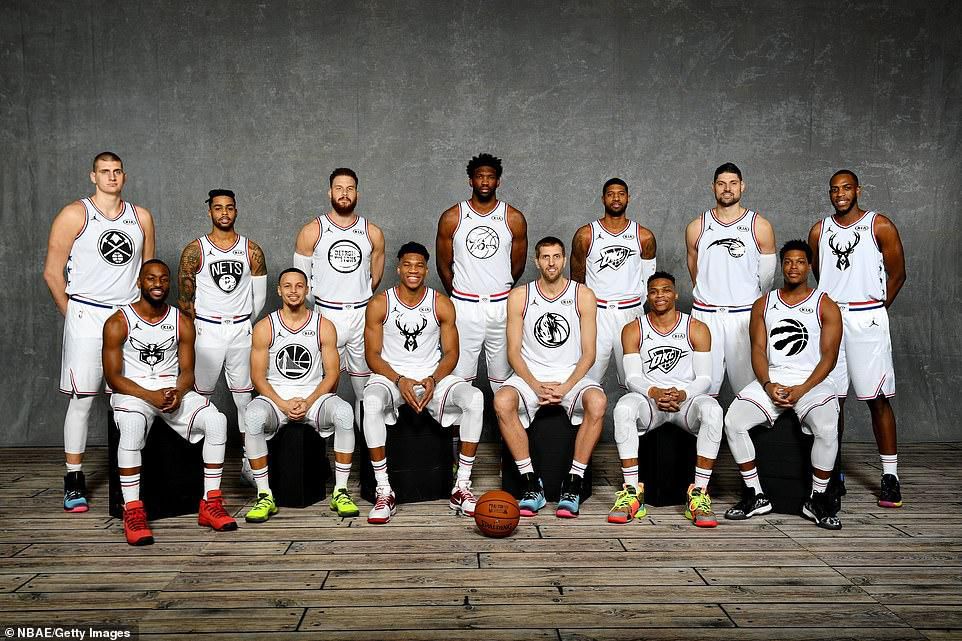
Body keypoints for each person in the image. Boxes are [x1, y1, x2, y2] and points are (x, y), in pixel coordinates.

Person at [43, 151, 156, 513]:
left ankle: (132, 474)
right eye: (104, 171)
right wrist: (74, 315)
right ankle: (73, 478)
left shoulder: (141, 217)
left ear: (125, 176)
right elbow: (52, 272)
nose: (111, 177)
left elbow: (149, 273)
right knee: (83, 399)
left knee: (133, 397)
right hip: (87, 313)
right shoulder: (75, 214)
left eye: (117, 171)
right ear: (93, 176)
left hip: (127, 316)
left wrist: (140, 319)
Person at [103, 260, 236, 545]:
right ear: (139, 282)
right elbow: (113, 377)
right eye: (151, 279)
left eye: (163, 279)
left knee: (217, 421)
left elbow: (187, 371)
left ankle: (210, 502)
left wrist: (178, 391)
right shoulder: (118, 322)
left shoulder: (181, 321)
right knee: (132, 426)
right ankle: (132, 510)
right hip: (132, 392)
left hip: (169, 390)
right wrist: (148, 396)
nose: (158, 284)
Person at [723, 240, 843, 530]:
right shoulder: (764, 304)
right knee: (733, 421)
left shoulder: (825, 305)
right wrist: (767, 384)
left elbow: (829, 357)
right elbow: (757, 350)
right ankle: (756, 494)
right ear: (781, 265)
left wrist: (803, 389)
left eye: (800, 262)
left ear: (809, 266)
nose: (793, 267)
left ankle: (817, 498)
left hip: (812, 381)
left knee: (827, 428)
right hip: (774, 378)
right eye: (788, 261)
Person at [362, 243, 484, 524]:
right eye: (407, 264)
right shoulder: (380, 304)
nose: (413, 270)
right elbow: (372, 355)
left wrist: (434, 379)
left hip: (431, 376)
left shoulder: (441, 303)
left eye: (419, 265)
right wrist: (398, 379)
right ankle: (384, 490)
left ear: (426, 270)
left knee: (475, 399)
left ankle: (461, 486)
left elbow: (451, 353)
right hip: (392, 377)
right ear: (398, 268)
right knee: (371, 402)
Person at [808, 169, 906, 508]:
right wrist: (834, 311)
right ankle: (833, 474)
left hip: (868, 317)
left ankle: (890, 476)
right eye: (834, 189)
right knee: (832, 399)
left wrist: (876, 309)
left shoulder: (880, 225)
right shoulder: (819, 231)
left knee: (877, 398)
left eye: (846, 188)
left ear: (858, 190)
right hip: (832, 318)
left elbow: (898, 273)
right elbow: (821, 274)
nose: (840, 194)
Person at [494, 237, 607, 519]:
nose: (551, 263)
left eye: (556, 256)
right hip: (532, 376)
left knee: (597, 402)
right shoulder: (520, 296)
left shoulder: (583, 295)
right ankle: (531, 484)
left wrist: (566, 387)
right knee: (502, 401)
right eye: (545, 257)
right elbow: (513, 353)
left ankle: (574, 482)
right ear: (536, 261)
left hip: (570, 375)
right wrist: (535, 386)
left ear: (564, 259)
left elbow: (589, 353)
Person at [243, 268, 357, 522]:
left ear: (307, 290)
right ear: (279, 290)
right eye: (287, 286)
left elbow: (331, 374)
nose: (293, 291)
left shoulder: (323, 326)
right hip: (276, 399)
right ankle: (264, 495)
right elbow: (258, 377)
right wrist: (283, 404)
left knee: (344, 412)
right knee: (252, 416)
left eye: (299, 286)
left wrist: (309, 401)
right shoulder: (265, 327)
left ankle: (340, 491)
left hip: (313, 398)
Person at [610, 272, 722, 527]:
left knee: (713, 411)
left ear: (676, 294)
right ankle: (632, 493)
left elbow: (705, 378)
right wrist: (655, 392)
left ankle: (699, 494)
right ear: (647, 296)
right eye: (654, 291)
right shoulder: (633, 329)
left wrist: (682, 394)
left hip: (685, 402)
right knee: (624, 408)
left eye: (666, 290)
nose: (660, 295)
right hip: (651, 403)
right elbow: (632, 378)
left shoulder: (696, 328)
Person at [177, 189, 267, 485]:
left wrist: (242, 323)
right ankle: (197, 463)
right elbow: (185, 301)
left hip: (240, 330)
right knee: (199, 398)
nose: (224, 213)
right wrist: (200, 327)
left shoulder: (251, 250)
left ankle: (249, 462)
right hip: (207, 330)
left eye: (229, 207)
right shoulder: (195, 250)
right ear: (210, 212)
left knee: (245, 399)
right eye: (218, 208)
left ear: (236, 211)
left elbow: (258, 299)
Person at [294, 168, 385, 416]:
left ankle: (365, 439)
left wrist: (355, 296)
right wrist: (324, 302)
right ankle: (327, 439)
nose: (344, 194)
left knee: (366, 389)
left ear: (357, 193)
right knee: (325, 384)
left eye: (350, 189)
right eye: (339, 188)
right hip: (327, 314)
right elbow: (301, 282)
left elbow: (374, 278)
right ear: (329, 192)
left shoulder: (372, 232)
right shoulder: (312, 231)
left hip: (361, 315)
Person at [436, 153, 528, 390]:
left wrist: (498, 286)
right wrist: (460, 295)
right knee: (459, 378)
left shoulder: (513, 218)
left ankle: (502, 416)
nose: (485, 181)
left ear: (498, 181)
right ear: (471, 180)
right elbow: (443, 265)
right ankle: (460, 417)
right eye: (479, 176)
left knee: (504, 379)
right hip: (464, 305)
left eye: (490, 177)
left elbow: (517, 265)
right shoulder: (452, 217)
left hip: (501, 305)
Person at [685, 162, 777, 396]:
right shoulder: (697, 226)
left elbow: (767, 277)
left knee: (749, 391)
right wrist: (710, 292)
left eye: (733, 183)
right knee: (701, 389)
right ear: (713, 187)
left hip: (744, 315)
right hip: (706, 315)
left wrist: (750, 301)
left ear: (742, 186)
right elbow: (694, 269)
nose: (727, 189)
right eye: (721, 184)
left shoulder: (759, 226)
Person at [570, 178, 656, 386]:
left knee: (634, 380)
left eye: (621, 194)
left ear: (628, 198)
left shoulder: (643, 236)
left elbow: (649, 282)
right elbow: (577, 280)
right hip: (597, 313)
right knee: (587, 378)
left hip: (630, 313)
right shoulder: (586, 234)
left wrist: (636, 307)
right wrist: (585, 312)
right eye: (610, 194)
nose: (616, 198)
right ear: (603, 199)